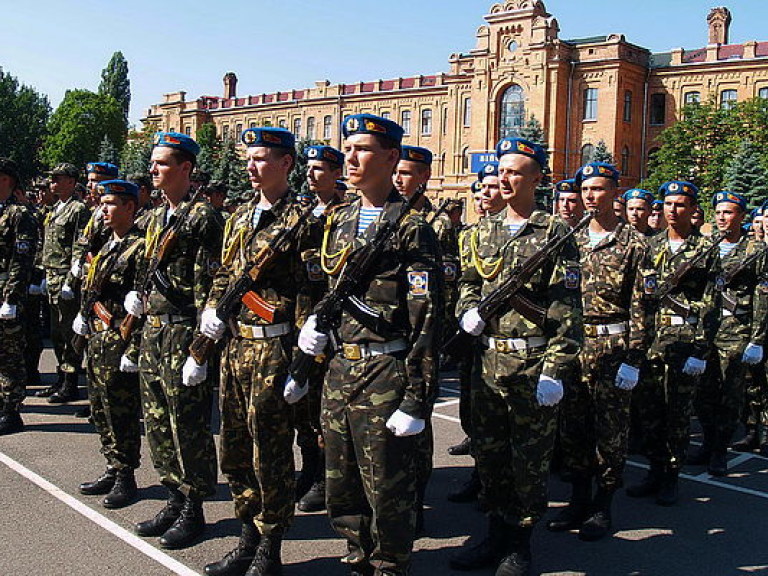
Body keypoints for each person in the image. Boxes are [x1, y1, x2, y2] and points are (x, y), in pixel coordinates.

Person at [298, 113, 442, 575]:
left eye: (362, 149)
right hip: (341, 368)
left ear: (391, 157)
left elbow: (426, 319)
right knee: (342, 485)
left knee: (387, 489)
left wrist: (417, 398)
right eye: (349, 147)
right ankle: (357, 556)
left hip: (386, 371)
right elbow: (331, 289)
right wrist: (314, 327)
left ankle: (388, 565)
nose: (351, 157)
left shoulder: (412, 227)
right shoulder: (339, 221)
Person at [451, 138, 581, 576]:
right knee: (489, 457)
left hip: (531, 365)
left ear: (536, 178)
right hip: (488, 364)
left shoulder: (554, 232)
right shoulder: (479, 231)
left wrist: (555, 370)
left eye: (515, 172)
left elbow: (566, 310)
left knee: (529, 460)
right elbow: (467, 284)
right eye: (500, 171)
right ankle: (494, 533)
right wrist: (465, 312)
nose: (504, 179)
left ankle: (520, 543)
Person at [201, 126, 316, 576]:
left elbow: (310, 293)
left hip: (275, 351)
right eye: (248, 158)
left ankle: (271, 546)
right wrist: (212, 310)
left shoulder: (303, 220)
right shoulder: (238, 217)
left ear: (287, 164)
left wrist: (304, 364)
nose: (251, 166)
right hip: (235, 351)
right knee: (234, 449)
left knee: (269, 453)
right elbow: (225, 275)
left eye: (262, 158)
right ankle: (246, 536)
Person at [125, 132, 224, 549]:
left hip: (184, 332)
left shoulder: (203, 216)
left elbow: (210, 287)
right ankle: (172, 494)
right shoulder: (153, 217)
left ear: (185, 168)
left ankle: (194, 507)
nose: (154, 170)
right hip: (153, 331)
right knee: (158, 421)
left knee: (189, 425)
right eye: (153, 163)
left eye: (162, 163)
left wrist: (201, 350)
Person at [548, 162, 652, 541]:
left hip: (613, 346)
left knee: (610, 432)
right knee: (573, 428)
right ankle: (577, 500)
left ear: (615, 192)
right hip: (574, 347)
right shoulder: (569, 237)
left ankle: (603, 506)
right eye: (586, 189)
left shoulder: (634, 243)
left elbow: (644, 306)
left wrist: (634, 358)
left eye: (598, 188)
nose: (591, 196)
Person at [627, 181, 717, 506]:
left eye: (680, 204)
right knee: (650, 412)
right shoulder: (650, 248)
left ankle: (671, 476)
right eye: (668, 204)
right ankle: (654, 469)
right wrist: (636, 345)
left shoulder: (706, 249)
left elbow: (712, 305)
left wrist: (701, 350)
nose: (673, 210)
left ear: (693, 209)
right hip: (652, 342)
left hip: (684, 342)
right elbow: (640, 299)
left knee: (677, 415)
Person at [74, 179, 145, 508]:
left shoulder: (139, 246)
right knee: (100, 409)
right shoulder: (106, 244)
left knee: (121, 411)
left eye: (111, 203)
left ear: (130, 207)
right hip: (98, 337)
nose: (103, 209)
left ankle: (125, 475)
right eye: (102, 203)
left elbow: (141, 308)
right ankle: (111, 465)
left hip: (120, 338)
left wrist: (132, 349)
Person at [689, 191, 768, 476]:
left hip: (736, 330)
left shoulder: (755, 250)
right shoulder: (705, 246)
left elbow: (762, 298)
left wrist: (756, 339)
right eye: (718, 212)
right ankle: (707, 444)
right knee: (702, 393)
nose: (722, 217)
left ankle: (720, 450)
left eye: (729, 212)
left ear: (742, 216)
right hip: (703, 330)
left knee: (728, 394)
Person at [393, 144, 444, 532]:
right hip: (383, 343)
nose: (399, 178)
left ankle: (417, 498)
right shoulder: (386, 215)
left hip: (420, 338)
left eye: (407, 172)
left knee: (417, 429)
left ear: (424, 177)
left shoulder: (434, 223)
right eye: (396, 170)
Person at [294, 144, 345, 515]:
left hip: (330, 322)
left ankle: (326, 478)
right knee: (302, 406)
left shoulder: (346, 213)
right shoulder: (298, 210)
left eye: (319, 169)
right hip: (299, 319)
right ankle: (309, 466)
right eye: (308, 168)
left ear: (335, 173)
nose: (311, 174)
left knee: (324, 407)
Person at [38, 163, 90, 403]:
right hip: (51, 276)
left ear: (71, 181)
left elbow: (79, 246)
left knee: (68, 331)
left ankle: (70, 382)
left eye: (58, 179)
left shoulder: (78, 209)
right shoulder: (55, 208)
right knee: (55, 332)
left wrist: (71, 280)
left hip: (66, 279)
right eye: (53, 179)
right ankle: (60, 377)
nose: (53, 183)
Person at [0, 158, 38, 435]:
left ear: (6, 180)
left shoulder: (19, 214)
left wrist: (11, 298)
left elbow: (21, 258)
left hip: (7, 294)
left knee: (9, 354)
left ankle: (11, 410)